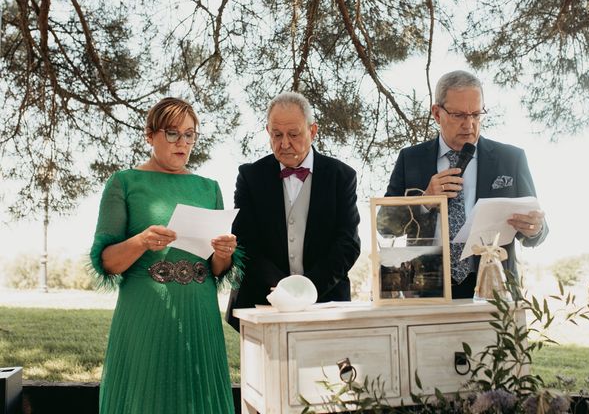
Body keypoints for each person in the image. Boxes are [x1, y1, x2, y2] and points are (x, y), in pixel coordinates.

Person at [89, 97, 242, 414]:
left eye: (190, 135)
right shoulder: (124, 183)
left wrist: (224, 254)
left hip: (200, 313)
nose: (183, 143)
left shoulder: (209, 188)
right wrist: (142, 241)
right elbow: (106, 262)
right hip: (146, 313)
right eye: (173, 133)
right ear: (149, 134)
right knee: (146, 397)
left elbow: (215, 269)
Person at [384, 70, 548, 298]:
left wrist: (535, 228)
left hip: (495, 290)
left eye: (476, 114)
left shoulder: (511, 159)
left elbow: (538, 232)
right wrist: (425, 200)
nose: (469, 124)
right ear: (436, 113)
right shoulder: (411, 159)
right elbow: (385, 226)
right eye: (459, 115)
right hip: (427, 291)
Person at [226, 91, 361, 331]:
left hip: (325, 301)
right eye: (277, 135)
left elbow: (348, 243)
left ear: (313, 131)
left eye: (294, 134)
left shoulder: (342, 177)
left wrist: (305, 289)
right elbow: (245, 242)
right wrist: (282, 290)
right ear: (268, 132)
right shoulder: (250, 177)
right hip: (261, 302)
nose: (284, 143)